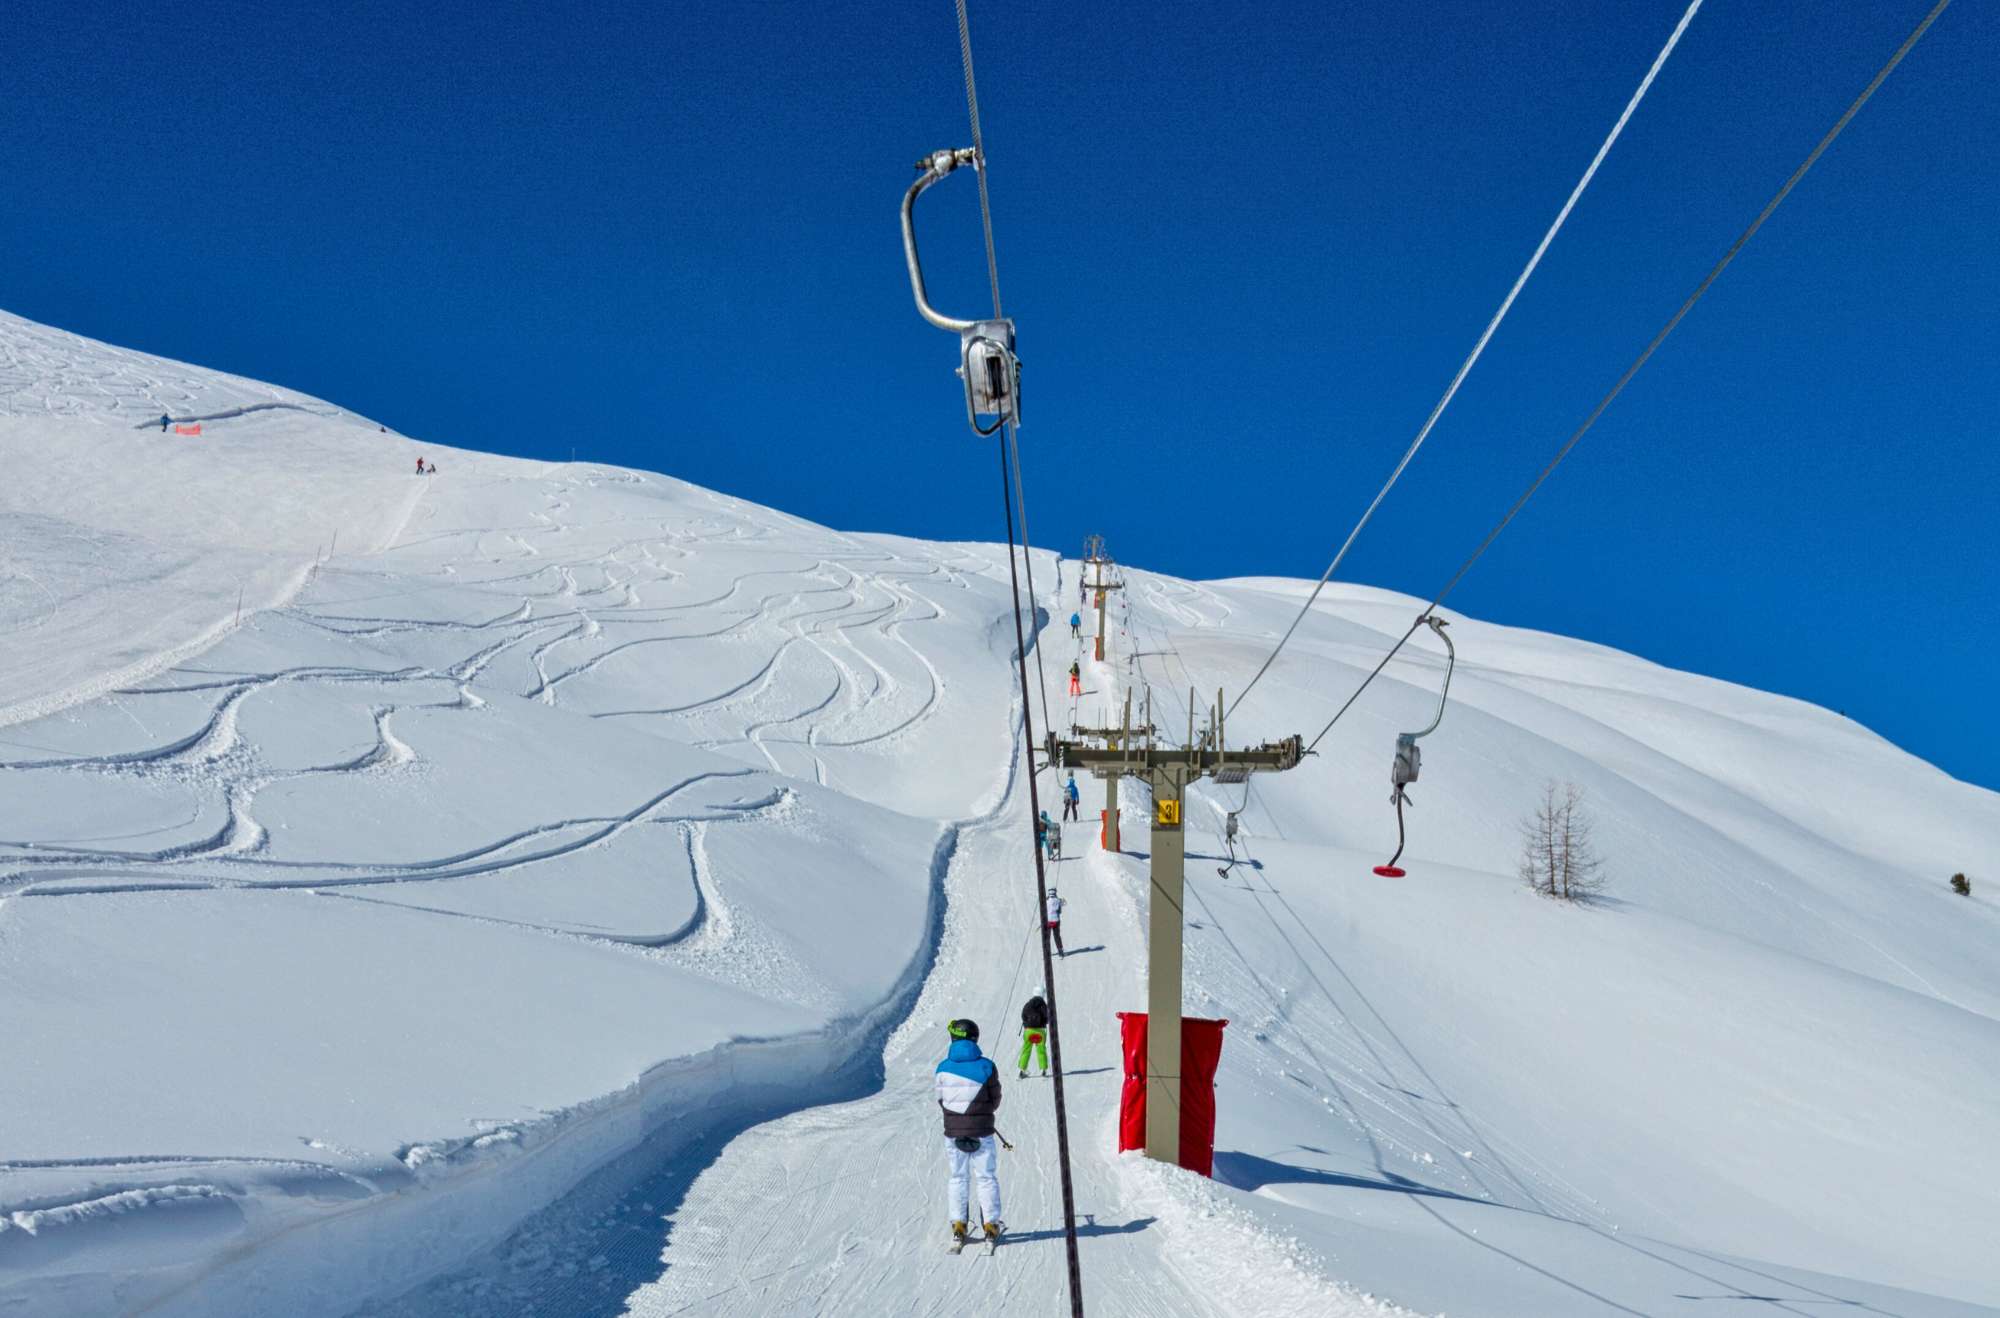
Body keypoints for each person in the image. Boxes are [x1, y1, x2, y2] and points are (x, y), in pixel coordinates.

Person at [935, 1019, 1003, 1248]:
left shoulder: (942, 1067)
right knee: (986, 1177)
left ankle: (958, 1224)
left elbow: (941, 1100)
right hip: (982, 1131)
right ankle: (991, 1226)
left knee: (958, 1177)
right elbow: (995, 1099)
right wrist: (981, 1113)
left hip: (953, 1133)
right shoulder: (987, 1066)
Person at [1018, 990, 1050, 1078]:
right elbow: (1047, 1017)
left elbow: (1023, 1016)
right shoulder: (1043, 1005)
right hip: (1040, 1031)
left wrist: (1026, 1023)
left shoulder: (1028, 1005)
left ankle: (1022, 1070)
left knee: (1026, 1050)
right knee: (1041, 1050)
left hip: (1029, 1031)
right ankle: (1043, 1070)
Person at [1045, 887, 1066, 956]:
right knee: (1057, 936)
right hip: (1056, 921)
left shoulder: (1046, 901)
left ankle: (1047, 952)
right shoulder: (1058, 900)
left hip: (1048, 921)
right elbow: (1064, 903)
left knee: (1047, 937)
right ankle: (1060, 950)